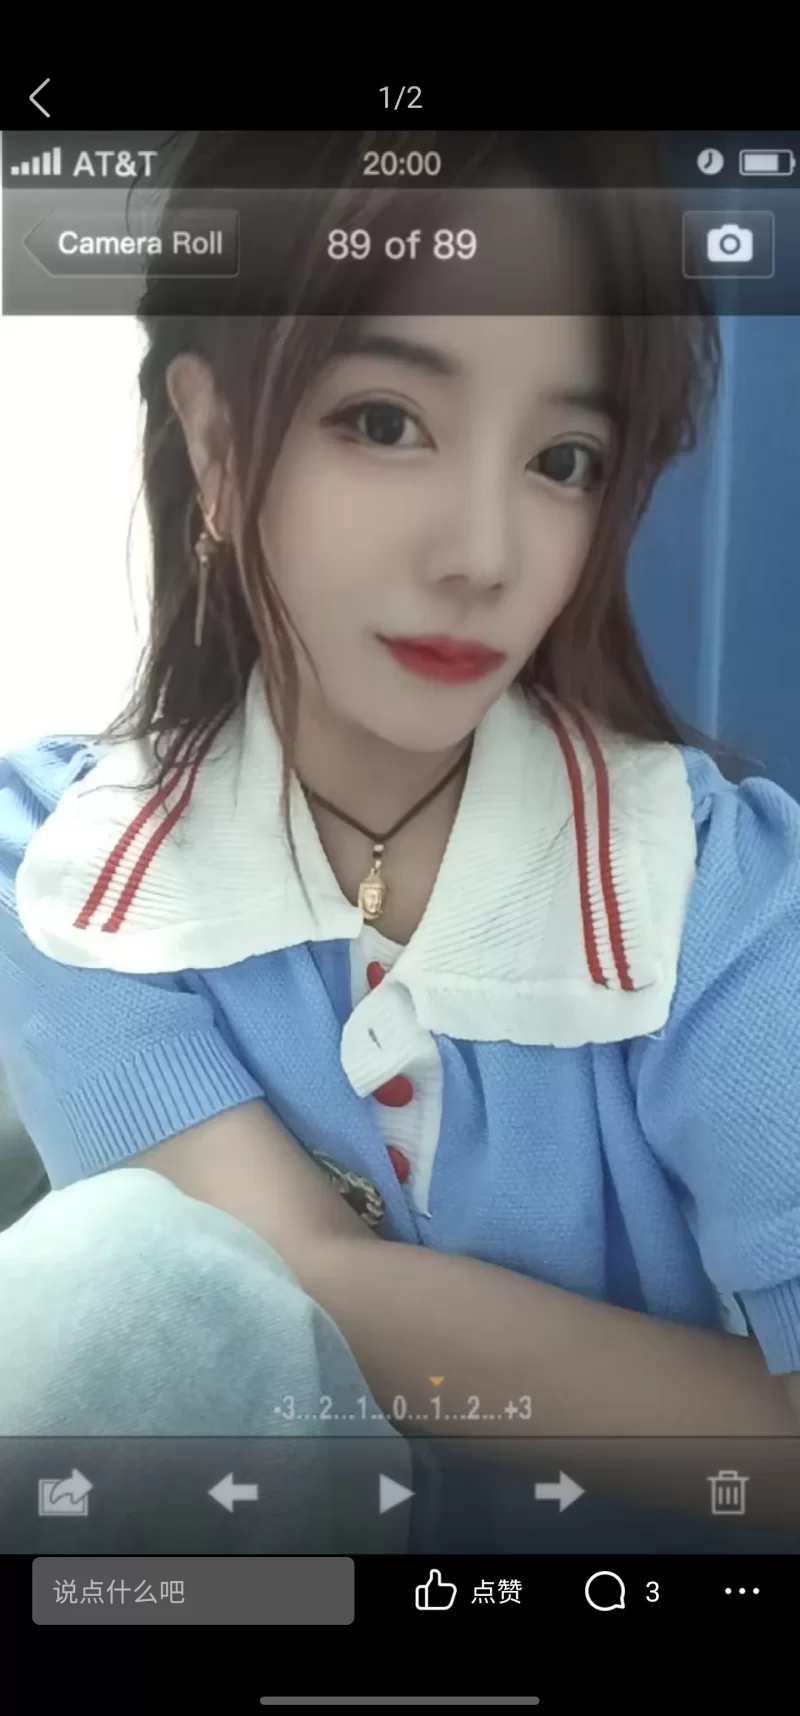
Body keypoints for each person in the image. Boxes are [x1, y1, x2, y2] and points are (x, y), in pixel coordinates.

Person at [1, 131, 799, 1554]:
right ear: (217, 443)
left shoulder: (714, 886)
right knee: (104, 1278)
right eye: (384, 421)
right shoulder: (61, 863)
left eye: (561, 459)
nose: (483, 553)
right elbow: (203, 1300)